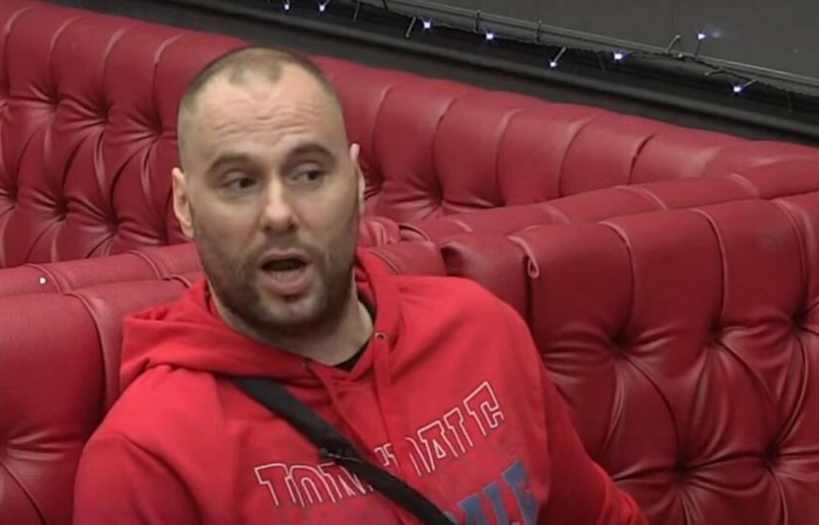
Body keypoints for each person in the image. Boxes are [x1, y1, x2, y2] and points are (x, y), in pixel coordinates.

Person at [72, 45, 647, 524]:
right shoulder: (145, 456)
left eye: (309, 174)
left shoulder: (481, 329)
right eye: (240, 183)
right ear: (184, 205)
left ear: (355, 181)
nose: (279, 213)